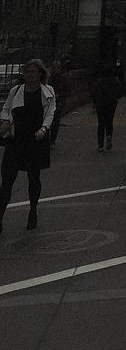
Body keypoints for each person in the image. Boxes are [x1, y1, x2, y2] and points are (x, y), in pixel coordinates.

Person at [0, 59, 55, 233]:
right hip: (16, 139)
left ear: (40, 74)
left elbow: (50, 113)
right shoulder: (16, 90)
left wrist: (44, 129)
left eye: (33, 72)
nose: (30, 75)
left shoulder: (48, 91)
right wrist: (5, 121)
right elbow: (6, 109)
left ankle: (33, 210)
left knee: (33, 178)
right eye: (27, 72)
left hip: (35, 139)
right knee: (7, 179)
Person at [92, 61, 123, 152]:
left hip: (100, 104)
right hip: (111, 103)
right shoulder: (115, 81)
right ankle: (109, 135)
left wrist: (95, 102)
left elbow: (94, 92)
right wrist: (116, 98)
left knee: (101, 123)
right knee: (109, 121)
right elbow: (120, 92)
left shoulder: (99, 82)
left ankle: (100, 145)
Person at [48, 60, 71, 149]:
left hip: (59, 103)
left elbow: (68, 91)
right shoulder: (48, 79)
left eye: (58, 67)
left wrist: (60, 95)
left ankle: (52, 140)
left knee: (55, 122)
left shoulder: (63, 79)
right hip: (48, 103)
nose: (56, 69)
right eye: (54, 67)